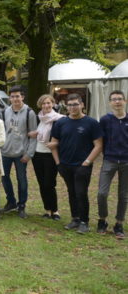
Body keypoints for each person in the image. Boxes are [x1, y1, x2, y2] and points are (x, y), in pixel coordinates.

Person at [51, 93, 103, 234]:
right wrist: (58, 163)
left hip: (83, 165)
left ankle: (84, 222)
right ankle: (75, 219)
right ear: (66, 106)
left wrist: (87, 162)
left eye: (75, 104)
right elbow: (54, 144)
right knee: (71, 192)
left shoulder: (91, 123)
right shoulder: (61, 123)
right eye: (70, 105)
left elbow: (98, 145)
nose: (73, 107)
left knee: (81, 193)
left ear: (82, 105)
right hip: (65, 164)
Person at [1, 86, 38, 218]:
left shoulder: (29, 113)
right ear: (9, 98)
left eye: (17, 96)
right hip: (5, 152)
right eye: (12, 96)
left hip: (21, 153)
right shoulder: (5, 111)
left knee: (21, 180)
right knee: (4, 178)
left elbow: (34, 135)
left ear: (22, 97)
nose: (15, 99)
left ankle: (21, 205)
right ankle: (11, 202)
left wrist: (29, 154)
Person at [97, 90, 128, 239]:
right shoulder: (105, 120)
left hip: (126, 162)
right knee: (102, 193)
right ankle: (102, 220)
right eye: (114, 99)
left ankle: (119, 223)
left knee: (123, 195)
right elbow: (100, 140)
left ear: (125, 101)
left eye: (120, 99)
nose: (117, 102)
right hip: (109, 160)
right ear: (110, 103)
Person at [29, 94, 64, 220]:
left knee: (50, 183)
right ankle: (47, 210)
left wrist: (56, 143)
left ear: (53, 104)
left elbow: (63, 137)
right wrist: (31, 134)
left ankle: (55, 210)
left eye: (48, 103)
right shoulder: (38, 119)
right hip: (37, 154)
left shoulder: (59, 119)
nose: (46, 106)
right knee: (41, 183)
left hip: (50, 155)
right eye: (43, 103)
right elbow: (31, 132)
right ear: (40, 105)